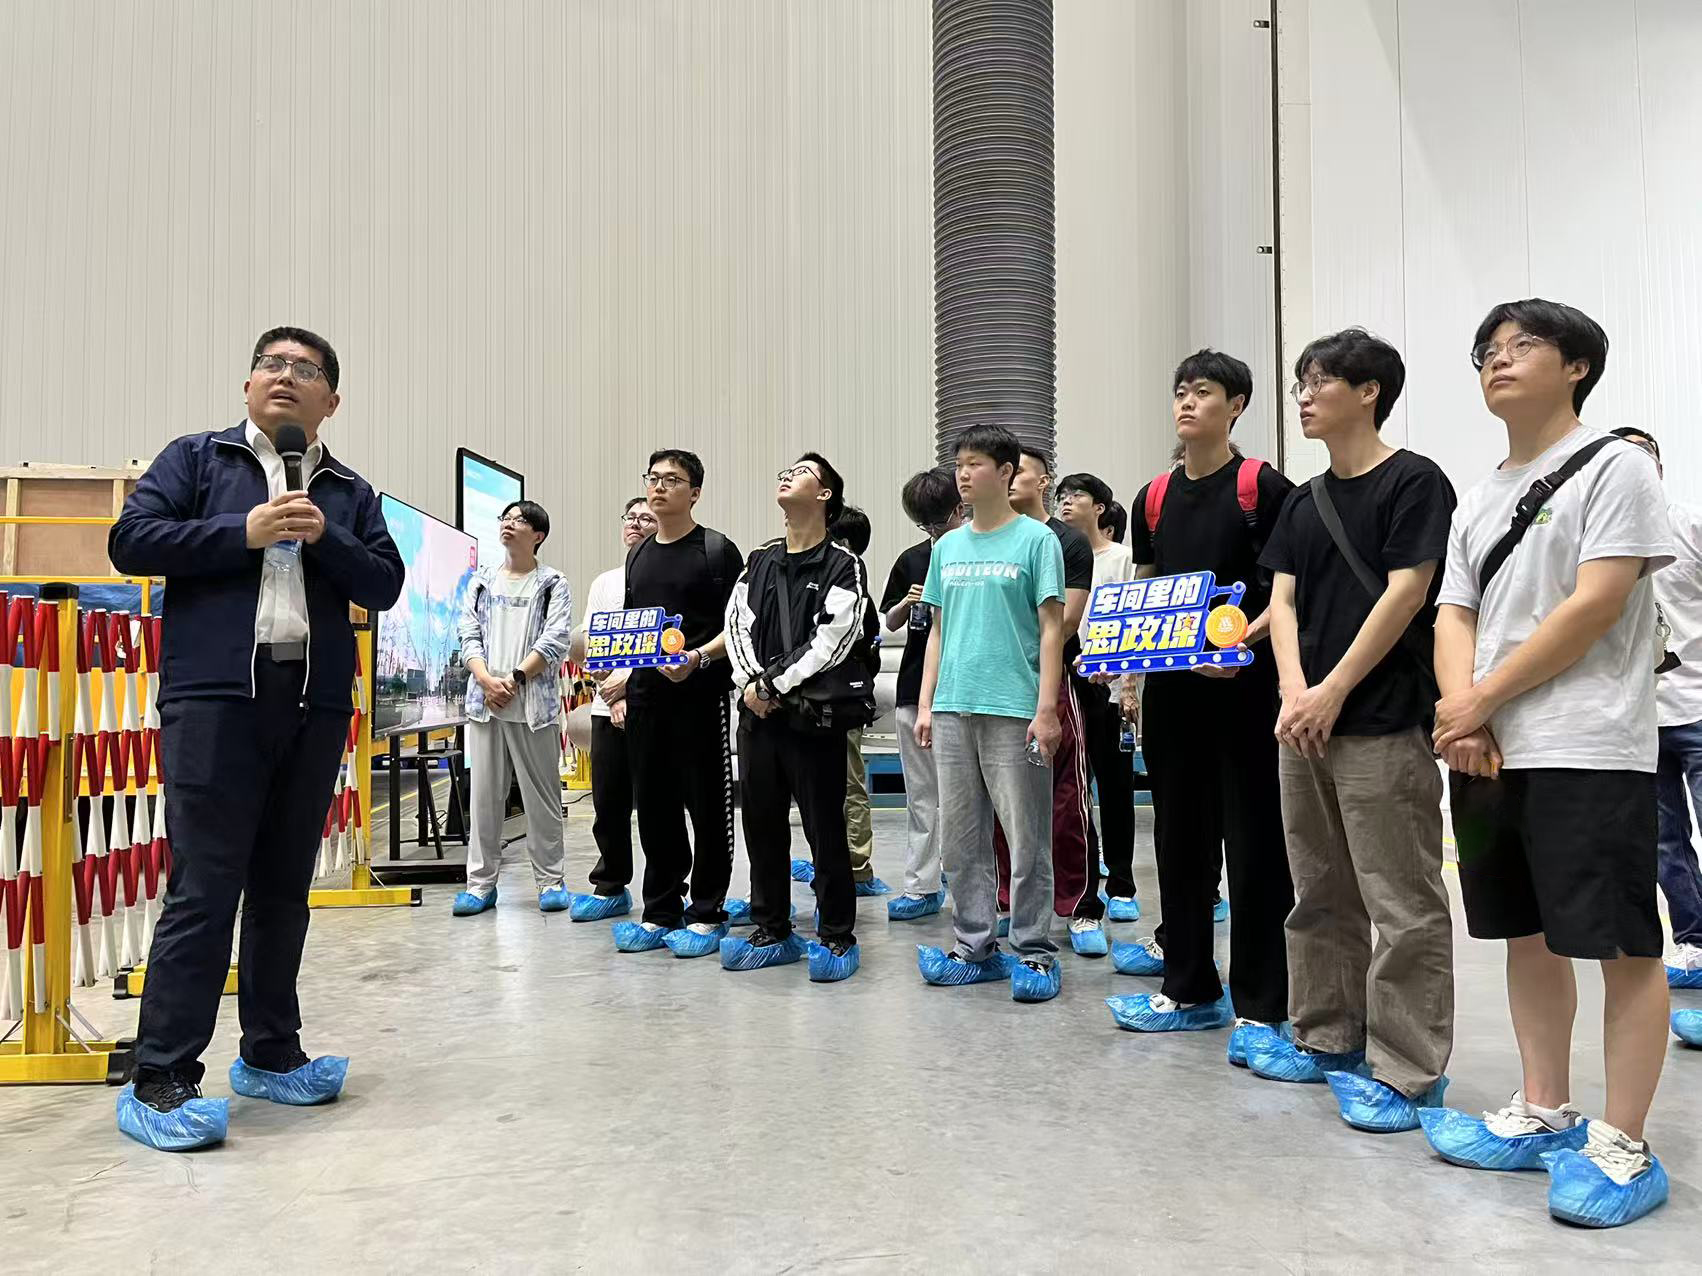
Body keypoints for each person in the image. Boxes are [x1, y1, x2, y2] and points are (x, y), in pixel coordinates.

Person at [107, 326, 404, 1150]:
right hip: (215, 700)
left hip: (312, 706)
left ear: (330, 401)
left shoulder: (348, 491)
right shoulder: (196, 460)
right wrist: (243, 531)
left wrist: (325, 536)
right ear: (247, 385)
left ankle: (271, 1053)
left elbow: (385, 583)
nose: (285, 377)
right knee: (205, 887)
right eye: (272, 364)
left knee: (282, 887)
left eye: (305, 370)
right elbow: (131, 541)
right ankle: (161, 1076)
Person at [1420, 299, 1672, 1228]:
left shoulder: (1616, 466)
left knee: (1619, 944)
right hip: (1488, 748)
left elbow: (1596, 602)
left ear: (1577, 367)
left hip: (1588, 745)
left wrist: (1478, 700)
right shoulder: (1477, 495)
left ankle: (1624, 1143)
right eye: (1487, 350)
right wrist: (1463, 713)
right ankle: (1544, 1108)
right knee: (1524, 933)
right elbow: (1453, 613)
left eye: (1523, 345)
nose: (1499, 360)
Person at [1251, 328, 1457, 1131]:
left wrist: (1332, 690)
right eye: (1300, 383)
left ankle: (1408, 1071)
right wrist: (1294, 692)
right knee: (1319, 890)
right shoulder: (1303, 500)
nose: (1304, 397)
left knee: (1401, 900)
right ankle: (1326, 1036)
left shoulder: (1415, 482)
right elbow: (1282, 602)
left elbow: (1408, 592)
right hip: (1303, 723)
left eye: (1320, 382)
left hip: (1382, 721)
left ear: (1369, 392)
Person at [1106, 350, 1295, 1058]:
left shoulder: (1262, 488)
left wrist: (1242, 642)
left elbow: (1289, 592)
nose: (1187, 403)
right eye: (1181, 391)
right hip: (1175, 696)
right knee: (1179, 843)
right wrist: (1129, 675)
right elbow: (1146, 588)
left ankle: (1263, 1006)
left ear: (1236, 406)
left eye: (1204, 392)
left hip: (1247, 693)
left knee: (1256, 848)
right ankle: (1189, 989)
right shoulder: (1153, 497)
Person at [914, 424, 1066, 1003]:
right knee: (961, 839)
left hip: (1014, 708)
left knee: (1027, 838)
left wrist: (1046, 709)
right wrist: (927, 704)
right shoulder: (947, 548)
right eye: (960, 463)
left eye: (976, 463)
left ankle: (1034, 950)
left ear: (1005, 473)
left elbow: (1051, 629)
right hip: (953, 708)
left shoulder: (1036, 541)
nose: (963, 473)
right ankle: (974, 946)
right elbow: (937, 632)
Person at [722, 454, 874, 980]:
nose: (787, 474)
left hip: (813, 719)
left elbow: (834, 639)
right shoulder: (759, 559)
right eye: (784, 470)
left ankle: (836, 935)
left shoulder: (843, 563)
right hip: (757, 715)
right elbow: (737, 624)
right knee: (761, 826)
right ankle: (772, 928)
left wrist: (772, 685)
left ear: (825, 494)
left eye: (802, 471)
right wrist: (750, 684)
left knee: (825, 829)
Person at [612, 449, 745, 957]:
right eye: (653, 478)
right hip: (647, 699)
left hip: (700, 697)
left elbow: (739, 627)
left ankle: (707, 911)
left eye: (672, 479)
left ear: (695, 493)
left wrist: (697, 658)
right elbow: (632, 629)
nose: (659, 487)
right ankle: (661, 909)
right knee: (654, 808)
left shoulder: (717, 551)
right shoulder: (639, 554)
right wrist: (619, 676)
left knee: (708, 807)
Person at [1607, 429, 1702, 991]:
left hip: (1698, 707)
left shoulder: (1689, 526)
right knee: (1665, 843)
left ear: (1659, 470)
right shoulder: (1597, 543)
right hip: (1640, 719)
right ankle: (1694, 942)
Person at [1000, 449, 1104, 955]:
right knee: (1002, 802)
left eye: (1018, 469)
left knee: (1066, 799)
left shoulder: (1068, 542)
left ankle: (1081, 907)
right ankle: (1010, 902)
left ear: (1044, 481)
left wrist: (1019, 653)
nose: (1008, 477)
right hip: (996, 688)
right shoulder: (989, 538)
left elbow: (1066, 623)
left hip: (1051, 681)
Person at [451, 500, 574, 917]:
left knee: (542, 797)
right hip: (486, 704)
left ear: (538, 535)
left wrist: (516, 678)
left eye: (519, 520)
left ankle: (551, 881)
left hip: (532, 706)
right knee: (485, 798)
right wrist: (486, 679)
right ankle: (480, 885)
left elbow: (555, 639)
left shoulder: (552, 583)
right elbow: (468, 633)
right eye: (505, 518)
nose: (509, 524)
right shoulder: (482, 581)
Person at [565, 497, 658, 921]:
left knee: (658, 806)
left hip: (652, 703)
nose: (636, 523)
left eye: (646, 518)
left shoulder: (667, 577)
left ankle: (665, 894)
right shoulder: (605, 582)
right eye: (631, 517)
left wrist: (631, 690)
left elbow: (665, 644)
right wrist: (614, 694)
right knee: (608, 803)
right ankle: (610, 885)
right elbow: (593, 643)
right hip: (607, 706)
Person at [1057, 471, 1140, 923]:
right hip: (1070, 682)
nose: (1066, 503)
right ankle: (1081, 884)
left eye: (1077, 496)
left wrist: (1128, 685)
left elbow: (1134, 621)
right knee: (1073, 790)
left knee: (1116, 788)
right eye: (1062, 496)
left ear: (1100, 508)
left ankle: (1122, 885)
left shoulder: (1122, 558)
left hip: (1111, 687)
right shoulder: (1058, 554)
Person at [795, 503, 889, 897]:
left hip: (839, 702)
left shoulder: (852, 588)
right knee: (817, 788)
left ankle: (857, 866)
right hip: (807, 700)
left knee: (848, 783)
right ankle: (828, 859)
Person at [882, 468, 964, 920]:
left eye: (939, 521)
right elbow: (889, 622)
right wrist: (906, 602)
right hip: (915, 689)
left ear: (960, 509)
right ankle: (921, 885)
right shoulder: (912, 559)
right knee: (921, 795)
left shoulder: (977, 553)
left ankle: (967, 881)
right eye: (924, 524)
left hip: (967, 690)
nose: (933, 531)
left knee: (968, 799)